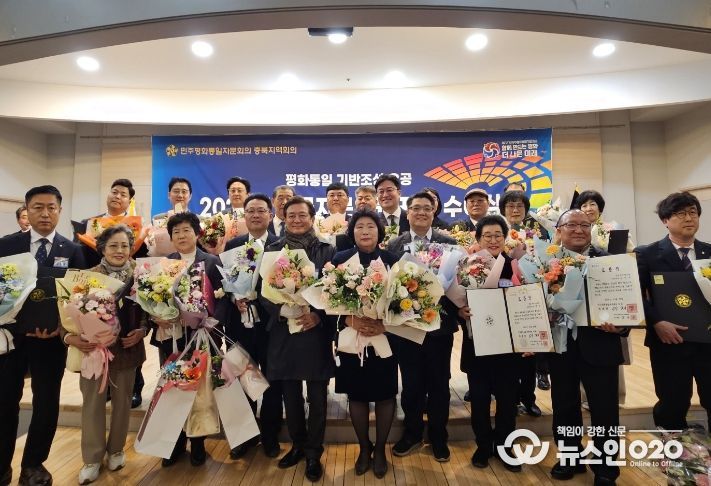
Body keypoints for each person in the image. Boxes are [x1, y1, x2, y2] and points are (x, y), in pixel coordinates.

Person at [0, 185, 86, 486]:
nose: (45, 213)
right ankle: (1, 466)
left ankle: (33, 465)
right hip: (10, 339)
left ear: (60, 211)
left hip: (51, 341)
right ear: (27, 210)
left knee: (46, 403)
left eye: (51, 207)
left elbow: (81, 296)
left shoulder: (73, 250)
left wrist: (63, 328)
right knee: (4, 401)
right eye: (38, 207)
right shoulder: (6, 245)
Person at [64, 225, 148, 484]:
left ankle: (116, 450)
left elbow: (149, 311)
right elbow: (65, 315)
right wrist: (71, 338)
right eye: (113, 245)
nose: (119, 250)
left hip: (127, 349)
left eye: (125, 245)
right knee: (92, 405)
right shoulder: (86, 277)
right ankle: (91, 458)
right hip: (94, 353)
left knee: (123, 404)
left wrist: (142, 330)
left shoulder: (141, 275)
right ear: (102, 248)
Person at [547, 209, 627, 484]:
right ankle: (570, 458)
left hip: (601, 344)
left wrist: (621, 325)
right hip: (561, 346)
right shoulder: (544, 263)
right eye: (572, 225)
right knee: (564, 406)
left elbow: (626, 302)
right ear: (559, 230)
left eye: (585, 225)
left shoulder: (611, 262)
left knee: (605, 411)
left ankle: (606, 468)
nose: (579, 230)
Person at [261, 196, 336, 482]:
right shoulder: (273, 250)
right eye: (290, 215)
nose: (296, 220)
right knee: (290, 394)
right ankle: (298, 445)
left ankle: (314, 452)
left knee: (317, 395)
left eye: (302, 215)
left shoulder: (327, 250)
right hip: (283, 332)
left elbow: (335, 289)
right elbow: (262, 290)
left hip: (314, 332)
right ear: (283, 218)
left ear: (312, 218)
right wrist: (281, 310)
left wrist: (318, 315)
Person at [387, 192, 459, 462]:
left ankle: (439, 437)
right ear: (407, 213)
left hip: (440, 327)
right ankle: (412, 433)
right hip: (407, 328)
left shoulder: (449, 242)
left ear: (434, 212)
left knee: (440, 383)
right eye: (416, 208)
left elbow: (456, 283)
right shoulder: (395, 244)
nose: (421, 212)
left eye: (427, 208)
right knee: (412, 383)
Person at [154, 212, 229, 468]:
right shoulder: (165, 264)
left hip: (202, 338)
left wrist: (211, 321)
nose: (181, 236)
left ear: (197, 234)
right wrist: (157, 316)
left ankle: (198, 443)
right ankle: (174, 444)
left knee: (199, 392)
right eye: (176, 232)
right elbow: (152, 297)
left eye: (186, 230)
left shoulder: (212, 261)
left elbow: (224, 297)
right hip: (172, 338)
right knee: (173, 390)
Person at [635, 192, 711, 431]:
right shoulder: (647, 254)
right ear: (665, 220)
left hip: (708, 342)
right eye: (680, 213)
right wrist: (657, 322)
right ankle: (673, 449)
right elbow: (636, 294)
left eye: (693, 213)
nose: (689, 218)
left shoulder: (709, 252)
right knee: (673, 402)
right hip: (668, 342)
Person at [332, 210, 399, 478]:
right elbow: (327, 301)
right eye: (359, 226)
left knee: (385, 395)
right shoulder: (340, 260)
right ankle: (364, 447)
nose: (365, 231)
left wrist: (384, 325)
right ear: (352, 232)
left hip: (384, 339)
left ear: (379, 231)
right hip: (352, 339)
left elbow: (404, 304)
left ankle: (380, 449)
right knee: (356, 395)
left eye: (371, 226)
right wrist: (350, 320)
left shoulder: (392, 261)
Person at [457, 215, 523, 472]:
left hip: (508, 348)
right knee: (480, 399)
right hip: (478, 347)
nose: (493, 240)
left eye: (498, 235)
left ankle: (505, 446)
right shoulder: (468, 267)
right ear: (478, 239)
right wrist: (460, 311)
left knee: (507, 400)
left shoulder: (516, 266)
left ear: (505, 239)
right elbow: (455, 301)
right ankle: (483, 446)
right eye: (488, 236)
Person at [74, 178, 147, 407]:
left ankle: (134, 387)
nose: (117, 196)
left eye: (123, 194)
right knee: (100, 338)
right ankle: (104, 384)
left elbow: (143, 256)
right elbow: (81, 255)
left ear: (129, 200)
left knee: (128, 337)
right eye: (114, 192)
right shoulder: (90, 224)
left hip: (128, 284)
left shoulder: (137, 226)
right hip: (97, 284)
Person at [223, 194, 283, 460]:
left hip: (271, 327)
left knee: (271, 382)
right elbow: (227, 283)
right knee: (242, 380)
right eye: (250, 211)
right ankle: (245, 436)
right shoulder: (233, 245)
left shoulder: (280, 246)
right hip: (240, 326)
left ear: (270, 215)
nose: (256, 215)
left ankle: (270, 435)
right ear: (244, 216)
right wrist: (234, 297)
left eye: (261, 210)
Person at [572, 189, 633, 406]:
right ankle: (584, 398)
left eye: (593, 204)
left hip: (609, 293)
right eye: (584, 205)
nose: (588, 208)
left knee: (610, 347)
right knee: (581, 351)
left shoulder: (612, 229)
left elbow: (629, 257)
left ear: (600, 208)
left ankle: (616, 397)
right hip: (581, 298)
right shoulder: (572, 235)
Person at [499, 190, 542, 418]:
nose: (515, 210)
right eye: (510, 205)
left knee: (529, 352)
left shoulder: (534, 234)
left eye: (519, 206)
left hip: (529, 297)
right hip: (503, 296)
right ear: (503, 209)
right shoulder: (498, 233)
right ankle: (511, 398)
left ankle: (529, 397)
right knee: (508, 354)